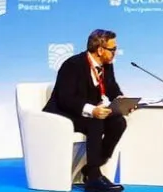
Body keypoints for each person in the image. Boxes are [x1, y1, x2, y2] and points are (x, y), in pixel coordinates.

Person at [43, 29, 132, 192]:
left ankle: (92, 168)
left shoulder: (107, 66)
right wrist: (92, 110)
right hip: (62, 113)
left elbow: (112, 88)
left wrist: (122, 102)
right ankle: (93, 178)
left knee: (118, 122)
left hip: (85, 113)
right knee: (95, 122)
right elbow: (66, 98)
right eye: (112, 49)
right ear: (100, 50)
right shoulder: (72, 65)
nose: (115, 52)